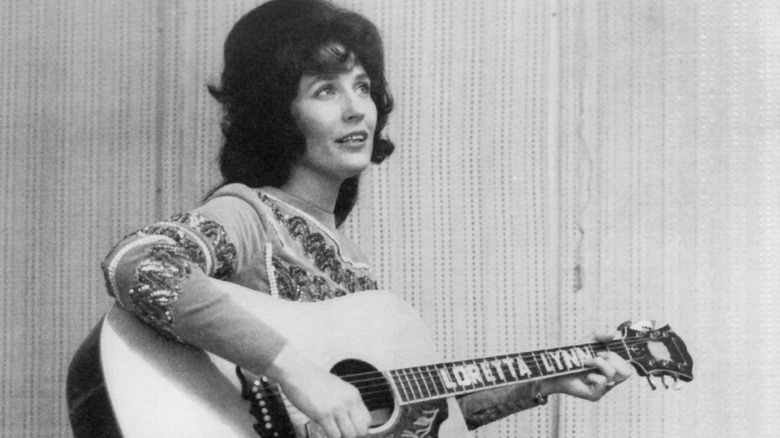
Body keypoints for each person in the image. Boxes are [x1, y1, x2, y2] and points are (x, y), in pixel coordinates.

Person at [99, 0, 633, 437]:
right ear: (275, 111)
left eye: (362, 85)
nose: (357, 108)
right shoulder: (249, 214)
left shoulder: (351, 264)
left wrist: (545, 381)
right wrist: (298, 372)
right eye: (325, 90)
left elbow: (413, 413)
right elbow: (137, 263)